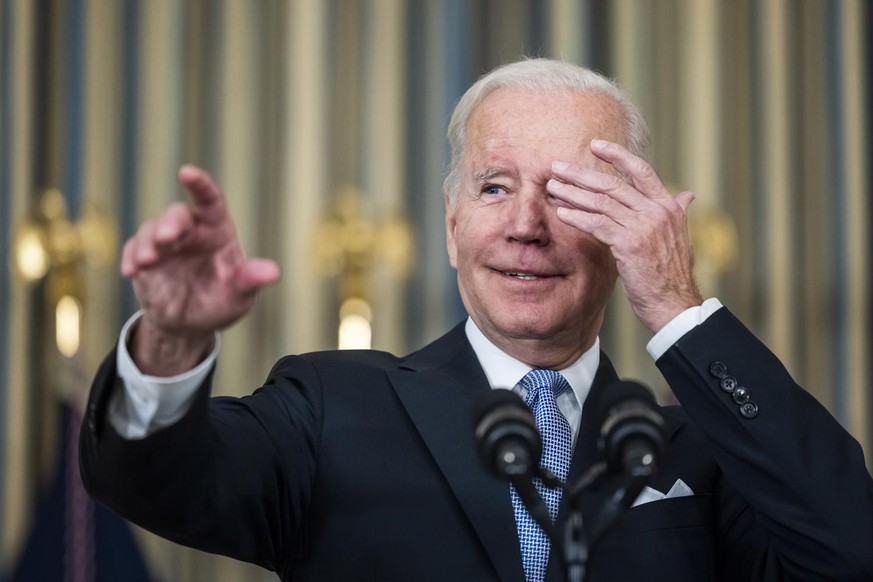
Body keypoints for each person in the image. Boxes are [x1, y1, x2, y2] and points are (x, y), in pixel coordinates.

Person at [80, 59, 873, 582]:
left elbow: (849, 551)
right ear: (452, 222)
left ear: (628, 227)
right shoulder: (328, 409)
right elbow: (151, 481)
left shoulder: (701, 451)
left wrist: (676, 305)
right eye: (495, 188)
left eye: (567, 195)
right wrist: (170, 343)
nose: (526, 224)